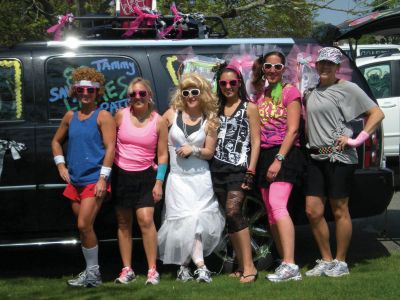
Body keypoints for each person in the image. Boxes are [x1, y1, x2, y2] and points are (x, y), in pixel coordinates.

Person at [304, 47, 384, 277]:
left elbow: (376, 113)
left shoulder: (348, 88)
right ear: (317, 66)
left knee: (340, 211)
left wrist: (357, 139)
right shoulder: (311, 91)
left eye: (330, 64)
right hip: (315, 157)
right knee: (313, 211)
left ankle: (341, 261)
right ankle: (326, 259)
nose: (325, 67)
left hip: (340, 157)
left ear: (338, 67)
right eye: (322, 63)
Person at [51, 67, 116, 287]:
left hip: (93, 181)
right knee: (84, 229)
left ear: (97, 92)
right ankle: (90, 273)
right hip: (75, 181)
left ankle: (94, 275)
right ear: (75, 91)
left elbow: (110, 148)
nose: (85, 93)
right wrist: (61, 166)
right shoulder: (71, 116)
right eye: (80, 89)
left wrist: (102, 179)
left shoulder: (104, 116)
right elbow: (55, 141)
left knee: (83, 224)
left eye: (90, 89)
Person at [158, 73, 225, 284]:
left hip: (200, 179)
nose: (190, 96)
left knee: (195, 221)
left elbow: (209, 152)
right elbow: (155, 133)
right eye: (185, 92)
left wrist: (193, 149)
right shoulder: (170, 114)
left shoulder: (211, 119)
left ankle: (189, 266)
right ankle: (196, 267)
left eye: (194, 91)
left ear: (203, 93)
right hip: (177, 178)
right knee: (182, 223)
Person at [253, 51, 304, 282]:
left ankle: (291, 264)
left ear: (284, 69)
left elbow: (293, 129)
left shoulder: (290, 92)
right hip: (264, 154)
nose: (272, 70)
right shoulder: (260, 95)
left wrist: (279, 159)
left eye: (277, 66)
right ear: (263, 68)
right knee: (271, 212)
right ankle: (285, 262)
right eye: (268, 66)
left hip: (284, 154)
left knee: (278, 205)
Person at [112, 77, 168, 285]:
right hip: (121, 175)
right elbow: (108, 143)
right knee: (124, 223)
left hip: (146, 175)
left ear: (149, 96)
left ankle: (152, 270)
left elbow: (162, 155)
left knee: (146, 220)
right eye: (133, 94)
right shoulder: (120, 116)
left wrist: (159, 181)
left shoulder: (158, 121)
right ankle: (127, 269)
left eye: (141, 93)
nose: (137, 97)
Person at [210, 63, 260, 283]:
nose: (228, 86)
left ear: (239, 83)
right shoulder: (216, 108)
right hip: (217, 168)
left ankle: (250, 266)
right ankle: (240, 264)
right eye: (223, 83)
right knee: (229, 218)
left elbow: (256, 141)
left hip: (239, 169)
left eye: (232, 82)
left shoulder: (249, 107)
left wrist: (251, 170)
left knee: (233, 212)